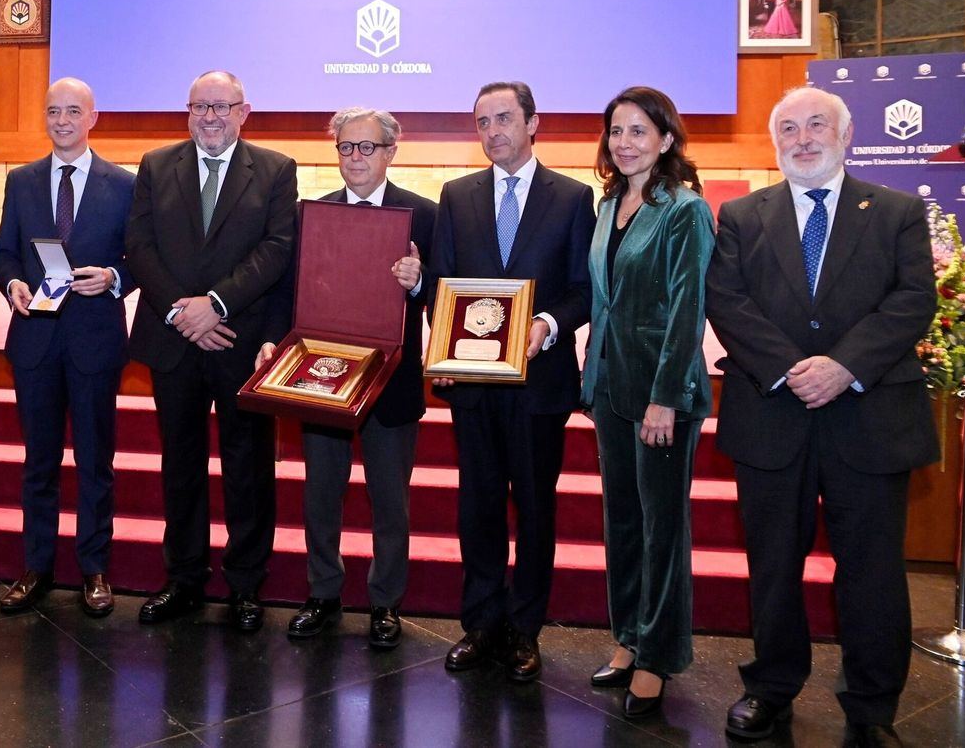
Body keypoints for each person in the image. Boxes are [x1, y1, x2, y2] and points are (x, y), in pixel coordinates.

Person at [707, 85, 936, 748]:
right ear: (775, 143)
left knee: (871, 572)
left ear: (846, 134)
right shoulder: (744, 216)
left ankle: (871, 709)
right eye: (788, 129)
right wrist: (790, 368)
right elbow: (727, 300)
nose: (802, 139)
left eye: (816, 126)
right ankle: (769, 689)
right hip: (772, 414)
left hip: (868, 416)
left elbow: (913, 298)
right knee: (773, 567)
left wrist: (842, 366)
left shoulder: (894, 211)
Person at [428, 81, 594, 682]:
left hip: (539, 387)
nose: (493, 131)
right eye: (482, 122)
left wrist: (545, 326)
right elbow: (443, 284)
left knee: (534, 508)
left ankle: (524, 629)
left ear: (532, 123)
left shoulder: (574, 198)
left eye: (504, 118)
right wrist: (444, 347)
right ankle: (480, 623)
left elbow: (583, 289)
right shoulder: (457, 196)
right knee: (477, 508)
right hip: (471, 387)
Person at [126, 70, 297, 632]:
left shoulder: (274, 170)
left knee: (248, 470)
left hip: (241, 343)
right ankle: (184, 578)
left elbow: (277, 249)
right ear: (188, 111)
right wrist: (182, 310)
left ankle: (246, 585)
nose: (210, 117)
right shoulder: (155, 165)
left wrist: (217, 304)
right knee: (181, 465)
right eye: (201, 107)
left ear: (244, 112)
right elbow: (140, 246)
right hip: (174, 339)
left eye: (221, 107)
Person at [257, 107, 433, 650]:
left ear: (390, 152)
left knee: (389, 500)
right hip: (322, 375)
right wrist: (273, 340)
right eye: (346, 148)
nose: (355, 158)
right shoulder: (310, 214)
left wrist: (418, 280)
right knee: (321, 493)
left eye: (366, 148)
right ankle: (323, 593)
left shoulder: (423, 215)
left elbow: (444, 299)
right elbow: (287, 290)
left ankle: (385, 603)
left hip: (392, 381)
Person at [579, 86, 716, 718]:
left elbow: (688, 311)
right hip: (611, 388)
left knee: (664, 529)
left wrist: (666, 398)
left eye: (638, 131)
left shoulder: (685, 210)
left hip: (663, 395)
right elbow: (605, 300)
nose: (624, 142)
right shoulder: (611, 204)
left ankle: (659, 654)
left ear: (665, 139)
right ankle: (629, 638)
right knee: (623, 522)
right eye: (615, 131)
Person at [0, 77, 135, 618]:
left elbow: (139, 257)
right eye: (53, 111)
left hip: (95, 342)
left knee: (96, 461)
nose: (62, 121)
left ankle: (94, 570)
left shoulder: (123, 184)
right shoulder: (23, 181)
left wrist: (114, 277)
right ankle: (36, 567)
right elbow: (4, 251)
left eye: (73, 111)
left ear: (93, 117)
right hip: (34, 340)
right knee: (39, 463)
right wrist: (12, 284)